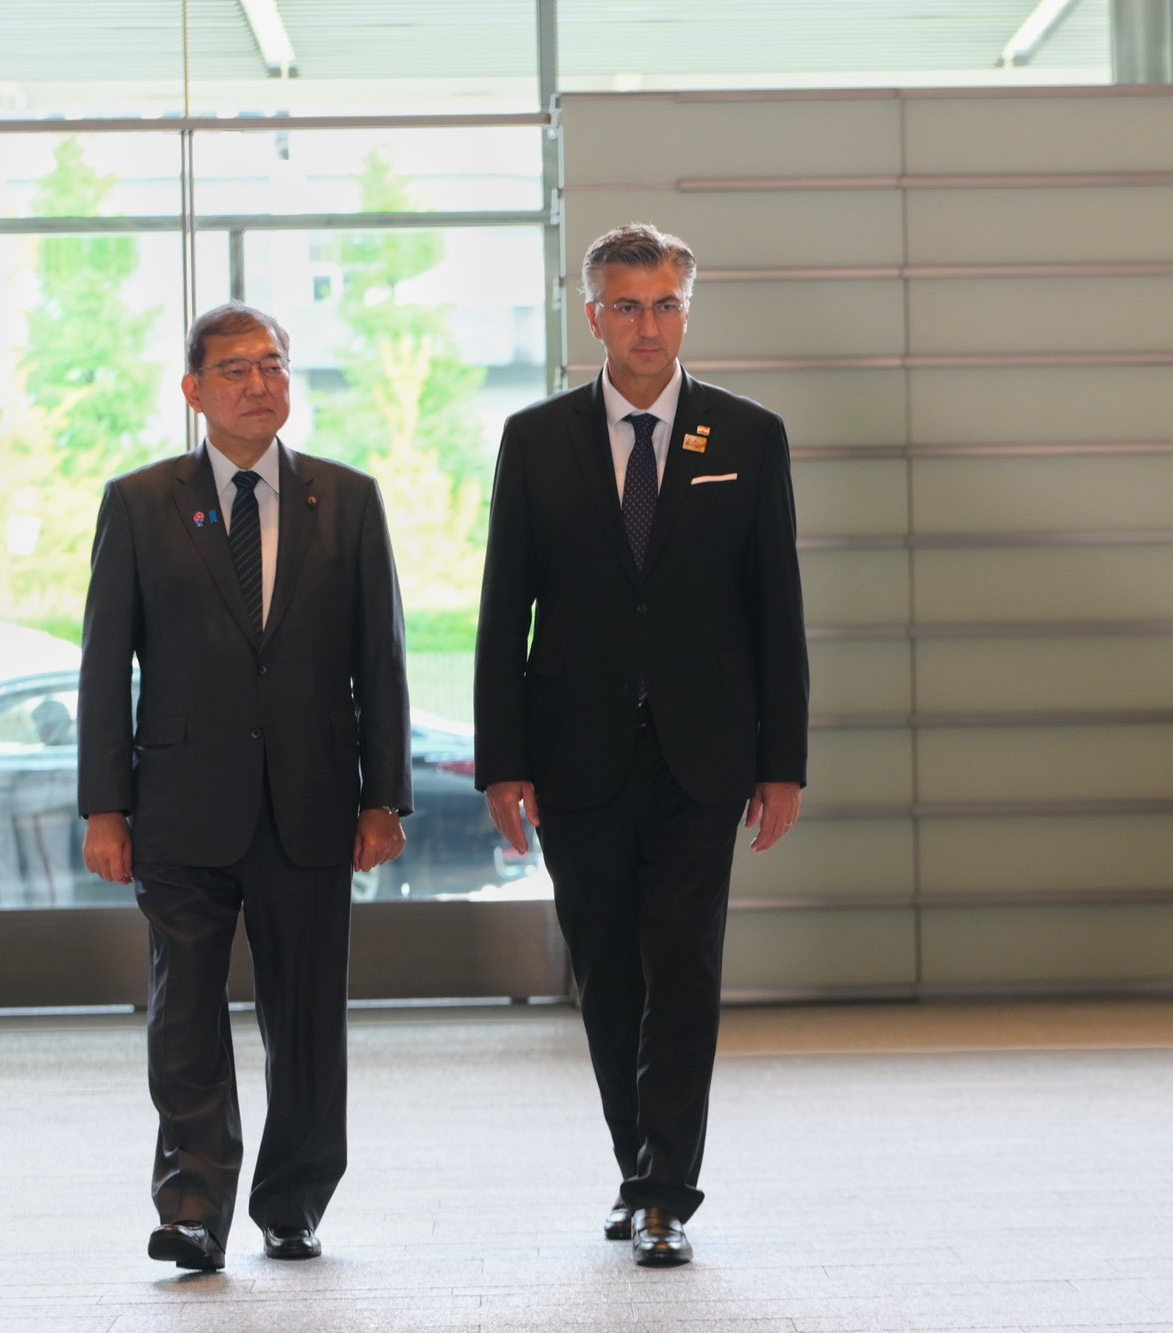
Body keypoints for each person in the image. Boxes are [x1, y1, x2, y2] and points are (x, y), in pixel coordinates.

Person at [473, 224, 808, 1269]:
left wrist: (782, 761)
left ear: (686, 312)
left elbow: (776, 612)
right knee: (609, 974)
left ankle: (666, 1187)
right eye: (626, 306)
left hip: (703, 757)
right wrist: (502, 761)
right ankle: (636, 1164)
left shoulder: (747, 437)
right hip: (573, 757)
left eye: (664, 305)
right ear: (592, 317)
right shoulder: (535, 439)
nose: (647, 325)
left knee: (684, 968)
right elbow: (501, 611)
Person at [77, 302, 411, 1272]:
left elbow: (379, 661)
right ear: (192, 391)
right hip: (180, 803)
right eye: (235, 370)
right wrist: (106, 804)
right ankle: (191, 1206)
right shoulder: (139, 503)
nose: (260, 383)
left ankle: (293, 1200)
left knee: (305, 1018)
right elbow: (107, 666)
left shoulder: (346, 500)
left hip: (311, 802)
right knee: (183, 1013)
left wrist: (382, 794)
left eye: (273, 364)